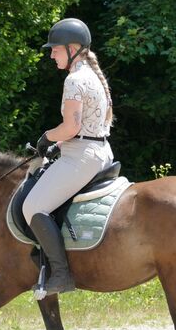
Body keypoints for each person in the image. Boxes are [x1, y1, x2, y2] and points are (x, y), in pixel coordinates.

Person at [22, 18, 115, 296]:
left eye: (55, 49)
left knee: (32, 207)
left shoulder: (75, 80)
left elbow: (72, 127)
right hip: (98, 150)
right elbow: (89, 126)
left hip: (82, 156)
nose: (51, 54)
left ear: (73, 48)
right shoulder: (94, 77)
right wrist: (60, 144)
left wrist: (47, 137)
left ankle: (61, 275)